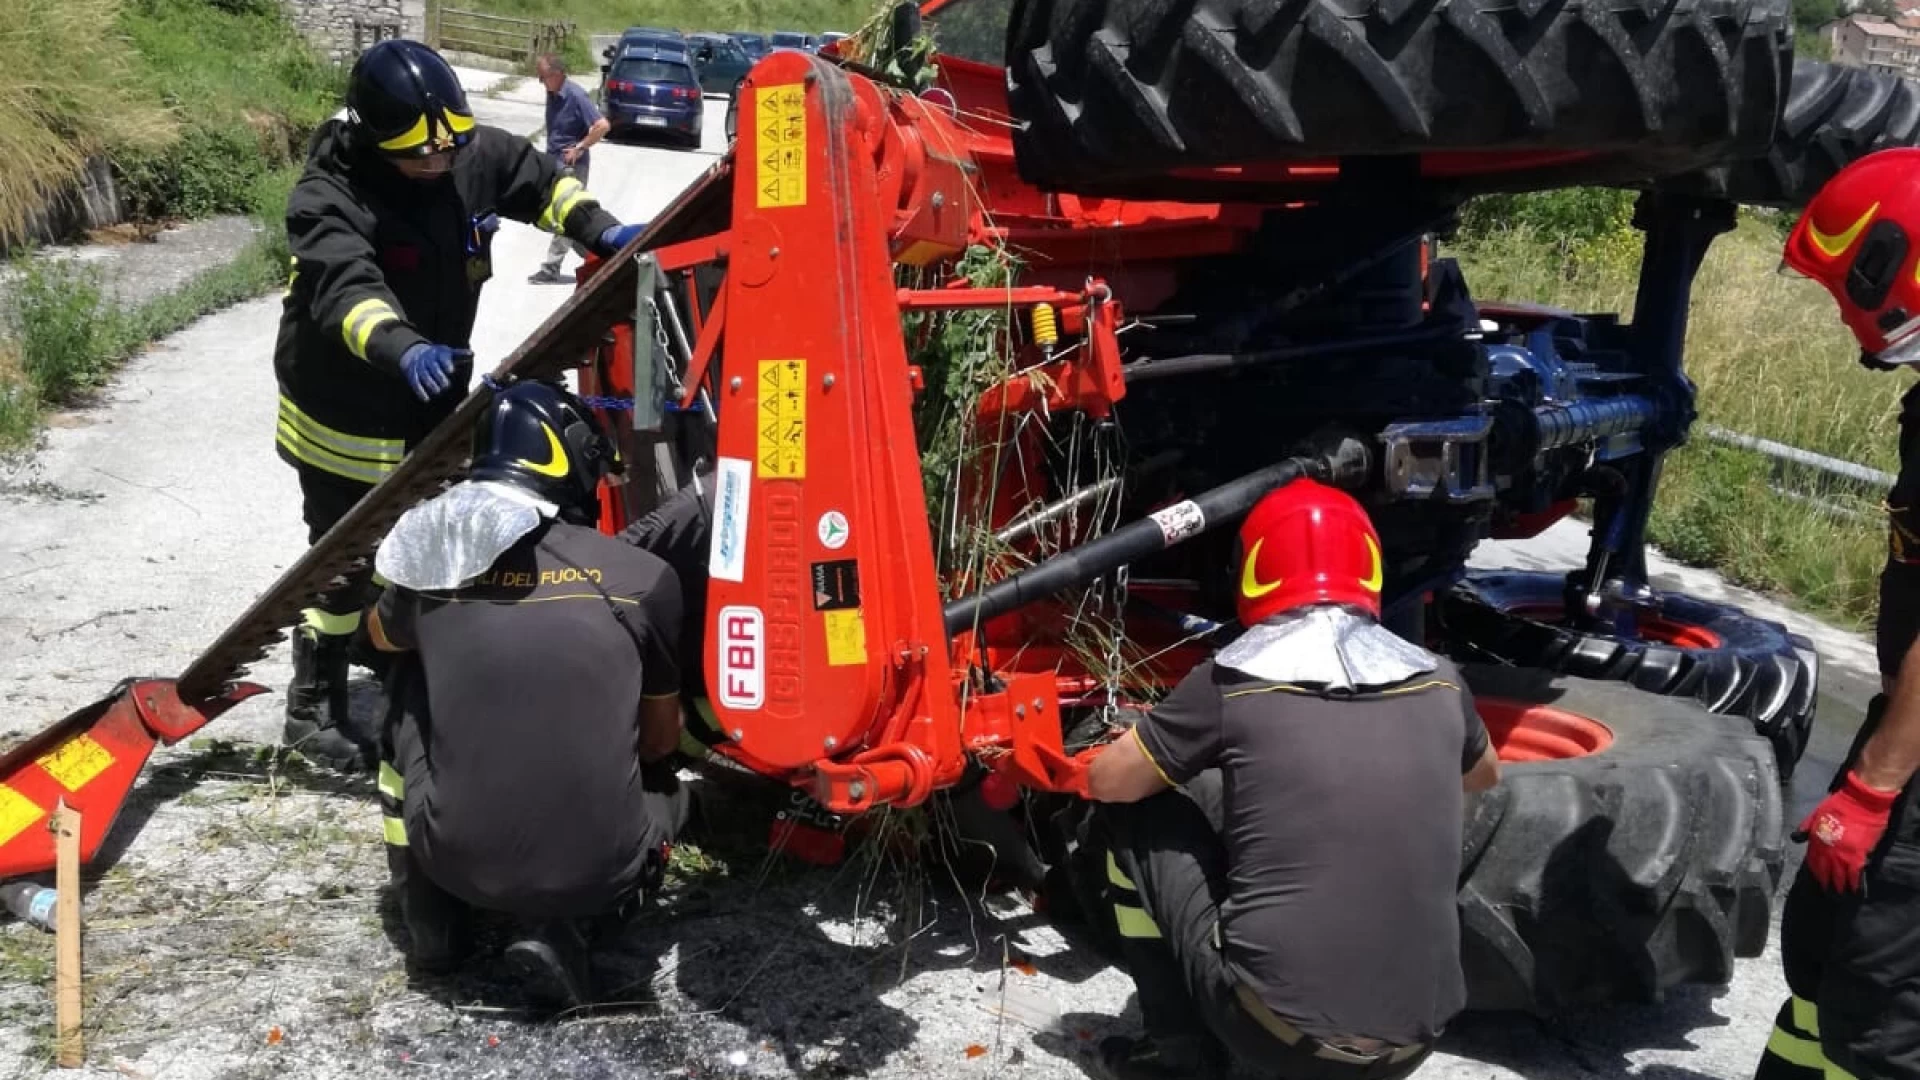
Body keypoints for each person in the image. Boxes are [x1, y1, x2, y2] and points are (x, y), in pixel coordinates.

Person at [274, 38, 647, 773]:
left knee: (419, 537)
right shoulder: (331, 195)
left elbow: (542, 183)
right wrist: (399, 346)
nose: (440, 167)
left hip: (426, 396)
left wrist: (599, 229)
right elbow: (347, 289)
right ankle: (311, 709)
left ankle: (384, 650)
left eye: (449, 153)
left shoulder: (464, 153)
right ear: (380, 144)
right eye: (421, 159)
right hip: (344, 408)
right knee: (341, 557)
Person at [1063, 478, 1500, 1080]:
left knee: (1132, 816)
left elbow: (1109, 782)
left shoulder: (1230, 680)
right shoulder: (1442, 679)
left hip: (1279, 1041)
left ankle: (1177, 1052)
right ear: (1371, 568)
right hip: (1413, 1047)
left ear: (1255, 572)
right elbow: (1482, 776)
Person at [364, 378, 687, 1009]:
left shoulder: (440, 562)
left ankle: (433, 923)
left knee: (404, 679)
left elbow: (378, 637)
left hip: (453, 861)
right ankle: (574, 928)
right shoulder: (643, 580)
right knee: (669, 789)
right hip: (601, 872)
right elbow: (659, 740)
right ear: (576, 465)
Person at [1753, 146, 1920, 1080]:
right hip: (1907, 718)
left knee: (1878, 1001)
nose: (1844, 309)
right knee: (1823, 946)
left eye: (1846, 285)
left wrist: (1871, 791)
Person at [528, 53, 612, 284]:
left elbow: (602, 125)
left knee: (564, 216)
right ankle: (604, 260)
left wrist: (580, 147)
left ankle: (550, 268)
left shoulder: (575, 95)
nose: (540, 82)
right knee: (573, 223)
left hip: (572, 168)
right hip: (555, 164)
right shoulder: (553, 94)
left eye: (543, 77)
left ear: (556, 75)